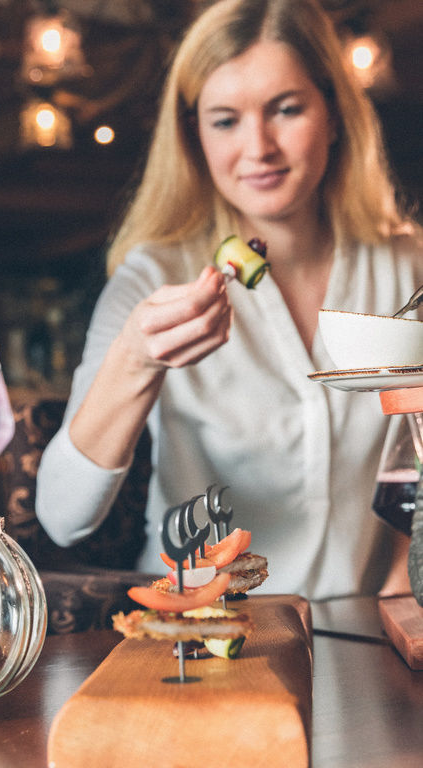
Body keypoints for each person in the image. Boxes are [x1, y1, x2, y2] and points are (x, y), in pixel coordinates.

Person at [36, 0, 422, 601]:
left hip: (369, 643)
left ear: (335, 113)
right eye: (224, 120)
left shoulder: (405, 267)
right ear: (194, 135)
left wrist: (401, 589)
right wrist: (136, 361)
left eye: (286, 110)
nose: (258, 147)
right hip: (206, 646)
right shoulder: (152, 277)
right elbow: (62, 516)